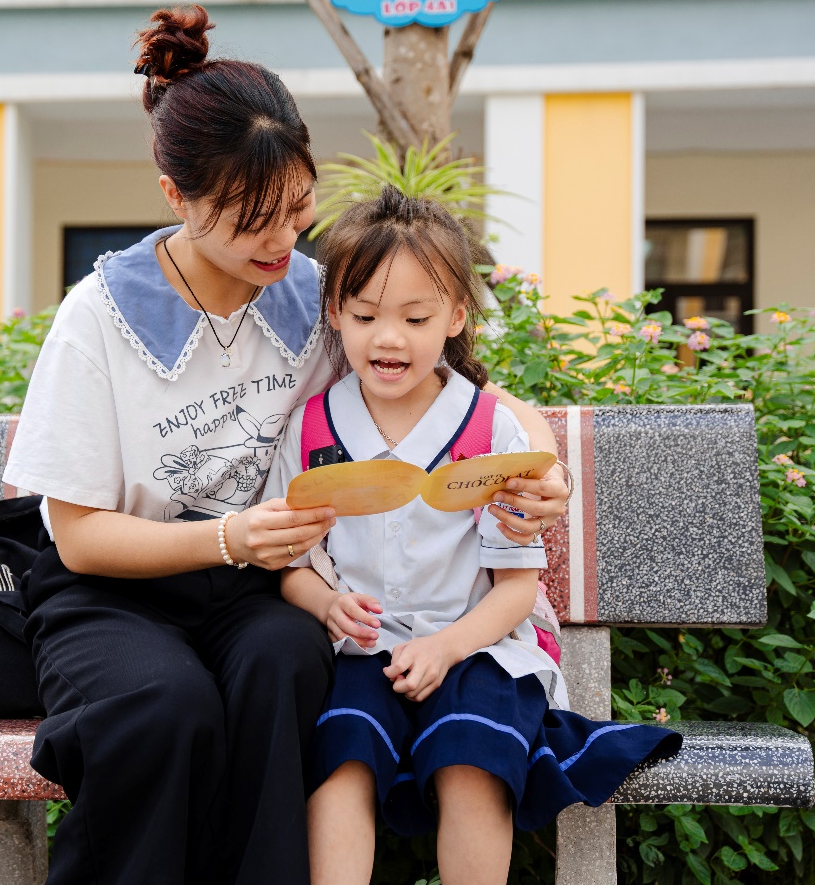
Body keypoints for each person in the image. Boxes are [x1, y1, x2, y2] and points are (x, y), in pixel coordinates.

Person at [3, 5, 570, 885]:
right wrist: (229, 538)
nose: (282, 239)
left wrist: (542, 462)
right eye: (251, 219)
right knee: (165, 705)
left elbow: (463, 384)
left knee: (284, 661)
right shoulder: (100, 318)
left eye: (298, 207)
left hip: (256, 592)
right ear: (176, 199)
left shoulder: (313, 293)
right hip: (113, 591)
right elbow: (77, 534)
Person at [270, 189, 682, 885]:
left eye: (415, 316)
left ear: (456, 315)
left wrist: (446, 646)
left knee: (472, 760)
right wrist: (322, 604)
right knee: (340, 755)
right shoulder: (312, 428)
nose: (388, 338)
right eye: (365, 314)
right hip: (363, 647)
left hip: (479, 642)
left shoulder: (490, 431)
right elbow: (290, 563)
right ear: (335, 312)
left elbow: (517, 590)